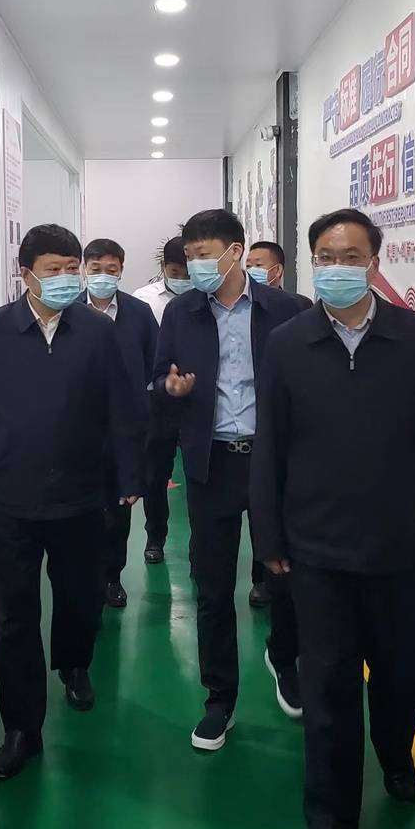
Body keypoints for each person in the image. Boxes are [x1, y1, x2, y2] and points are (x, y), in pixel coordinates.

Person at [249, 208, 415, 829]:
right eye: (326, 256)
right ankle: (329, 822)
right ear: (312, 263)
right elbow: (270, 448)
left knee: (405, 670)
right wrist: (269, 537)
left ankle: (396, 754)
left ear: (375, 262)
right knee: (328, 691)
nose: (338, 267)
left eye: (351, 256)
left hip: (398, 547)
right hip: (316, 551)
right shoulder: (288, 343)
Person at [0, 223, 144, 782]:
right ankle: (21, 728)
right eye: (53, 269)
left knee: (80, 597)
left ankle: (75, 665)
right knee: (12, 614)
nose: (65, 278)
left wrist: (129, 474)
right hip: (10, 496)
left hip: (82, 494)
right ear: (26, 274)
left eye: (71, 268)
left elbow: (122, 407)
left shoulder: (97, 331)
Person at [153, 208, 307, 751]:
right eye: (189, 256)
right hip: (211, 464)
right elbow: (159, 375)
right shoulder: (181, 314)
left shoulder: (287, 310)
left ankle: (284, 658)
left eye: (203, 255)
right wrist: (169, 388)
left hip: (273, 464)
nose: (195, 265)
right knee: (213, 587)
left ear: (234, 252)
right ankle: (220, 699)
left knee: (286, 576)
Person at [80, 237, 158, 608]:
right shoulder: (69, 309)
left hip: (126, 430)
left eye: (110, 270)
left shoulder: (139, 313)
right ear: (85, 269)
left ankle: (112, 576)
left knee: (119, 508)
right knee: (82, 511)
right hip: (78, 430)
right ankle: (86, 579)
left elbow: (154, 363)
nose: (103, 276)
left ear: (121, 270)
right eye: (95, 269)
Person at [242, 241, 313, 606]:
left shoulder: (298, 308)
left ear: (277, 270)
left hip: (284, 429)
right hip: (246, 427)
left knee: (273, 509)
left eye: (259, 264)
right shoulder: (243, 307)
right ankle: (260, 577)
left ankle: (273, 581)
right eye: (248, 263)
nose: (251, 270)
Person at [132, 236, 193, 563]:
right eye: (175, 273)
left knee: (202, 477)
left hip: (197, 400)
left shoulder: (208, 297)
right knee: (155, 475)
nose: (182, 280)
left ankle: (203, 544)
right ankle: (155, 537)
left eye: (187, 274)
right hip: (157, 401)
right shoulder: (143, 301)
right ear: (163, 268)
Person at [245, 240, 314, 310]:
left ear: (278, 270)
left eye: (258, 265)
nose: (251, 270)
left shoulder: (298, 305)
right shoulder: (243, 304)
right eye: (248, 266)